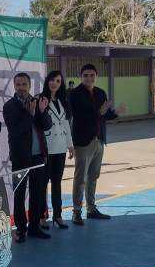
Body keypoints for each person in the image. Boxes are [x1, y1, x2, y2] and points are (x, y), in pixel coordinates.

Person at [69, 64, 123, 225]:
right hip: (82, 141)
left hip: (99, 139)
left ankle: (91, 209)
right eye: (86, 75)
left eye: (92, 75)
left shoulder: (100, 93)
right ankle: (76, 212)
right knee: (80, 178)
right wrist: (99, 112)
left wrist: (115, 113)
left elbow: (104, 116)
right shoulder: (75, 94)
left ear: (96, 76)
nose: (89, 78)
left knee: (93, 176)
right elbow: (80, 116)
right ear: (81, 77)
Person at [3, 72, 53, 242]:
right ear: (14, 86)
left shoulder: (37, 102)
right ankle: (20, 229)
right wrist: (29, 114)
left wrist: (42, 111)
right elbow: (15, 130)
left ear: (29, 86)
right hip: (20, 157)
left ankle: (34, 227)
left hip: (38, 156)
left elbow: (47, 126)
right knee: (19, 194)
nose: (21, 88)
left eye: (24, 84)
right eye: (18, 85)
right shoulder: (9, 106)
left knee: (37, 193)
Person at [41, 71, 74, 229]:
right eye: (52, 80)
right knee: (43, 184)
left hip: (60, 148)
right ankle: (42, 215)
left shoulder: (63, 101)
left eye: (58, 81)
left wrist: (70, 145)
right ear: (47, 81)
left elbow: (66, 124)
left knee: (57, 183)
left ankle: (58, 215)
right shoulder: (40, 99)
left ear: (61, 84)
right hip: (46, 148)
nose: (54, 83)